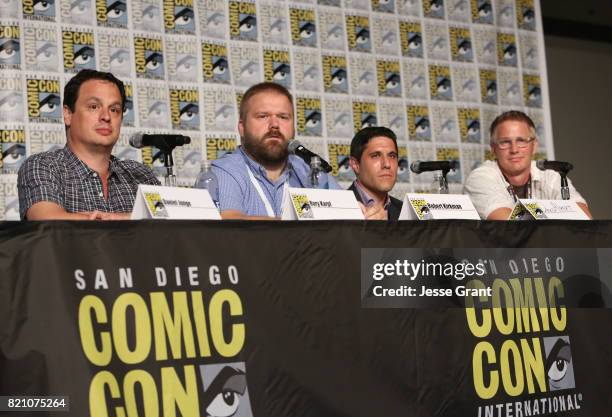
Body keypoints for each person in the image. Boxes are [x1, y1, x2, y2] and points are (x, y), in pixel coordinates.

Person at [18, 69, 159, 220]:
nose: (106, 117)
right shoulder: (44, 166)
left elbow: (171, 226)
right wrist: (132, 219)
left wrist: (118, 218)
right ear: (68, 114)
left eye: (114, 110)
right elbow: (48, 221)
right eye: (94, 107)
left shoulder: (141, 175)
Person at [212, 82, 340, 219]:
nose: (274, 125)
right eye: (263, 116)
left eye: (283, 117)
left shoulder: (309, 170)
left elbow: (347, 218)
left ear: (294, 128)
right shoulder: (225, 170)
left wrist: (363, 212)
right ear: (242, 128)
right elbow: (230, 222)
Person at [464, 110, 591, 220]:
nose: (514, 149)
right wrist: (555, 213)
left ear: (534, 146)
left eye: (521, 141)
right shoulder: (481, 178)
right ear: (493, 149)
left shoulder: (551, 174)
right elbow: (510, 225)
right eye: (505, 142)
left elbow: (584, 217)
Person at [348, 126, 403, 220]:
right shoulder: (335, 209)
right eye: (375, 156)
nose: (387, 164)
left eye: (392, 156)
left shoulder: (405, 212)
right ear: (355, 164)